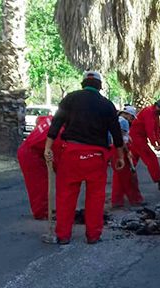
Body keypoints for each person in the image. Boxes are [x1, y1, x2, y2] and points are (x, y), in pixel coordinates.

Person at [44, 71, 125, 244]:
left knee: (65, 196)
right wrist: (119, 156)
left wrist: (48, 148)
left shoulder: (70, 99)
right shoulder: (107, 104)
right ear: (100, 86)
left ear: (83, 83)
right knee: (96, 198)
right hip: (96, 156)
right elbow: (116, 134)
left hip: (71, 154)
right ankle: (93, 235)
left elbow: (56, 123)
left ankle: (63, 235)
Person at [17, 116, 61, 219]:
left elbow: (40, 119)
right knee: (39, 184)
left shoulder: (54, 119)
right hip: (30, 153)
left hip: (30, 147)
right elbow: (59, 162)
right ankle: (42, 213)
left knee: (39, 184)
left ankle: (45, 210)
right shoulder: (61, 133)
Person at [129, 100, 160, 190]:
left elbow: (157, 129)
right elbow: (150, 130)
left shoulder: (155, 114)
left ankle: (127, 179)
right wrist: (154, 145)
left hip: (140, 138)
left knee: (132, 161)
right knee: (151, 158)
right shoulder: (149, 112)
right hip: (136, 137)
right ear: (156, 106)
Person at [111, 105, 145, 208]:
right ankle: (135, 199)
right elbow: (120, 139)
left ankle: (117, 200)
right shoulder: (123, 122)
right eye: (132, 117)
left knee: (118, 177)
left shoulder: (116, 120)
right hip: (120, 150)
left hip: (114, 150)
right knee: (129, 176)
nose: (132, 119)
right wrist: (127, 152)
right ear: (127, 114)